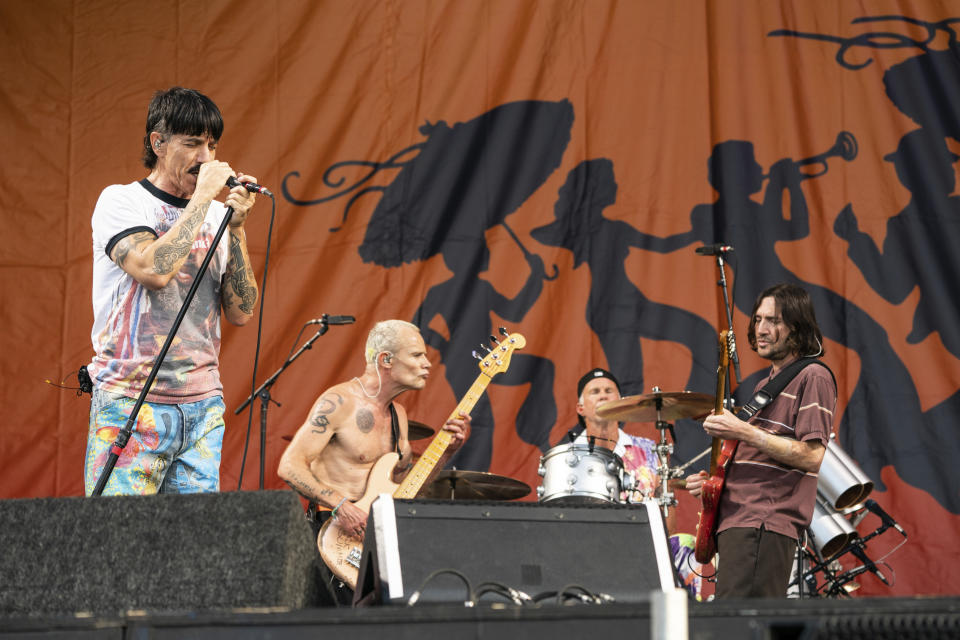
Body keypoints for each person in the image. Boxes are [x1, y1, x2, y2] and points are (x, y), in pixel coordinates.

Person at [84, 87, 260, 496]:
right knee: (120, 545)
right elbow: (153, 269)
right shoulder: (121, 201)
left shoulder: (217, 214)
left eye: (212, 146)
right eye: (193, 143)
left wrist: (236, 228)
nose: (206, 158)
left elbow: (242, 312)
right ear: (158, 143)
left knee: (194, 552)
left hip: (201, 407)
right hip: (130, 400)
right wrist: (202, 198)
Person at [278, 319, 470, 604]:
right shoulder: (339, 401)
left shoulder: (399, 415)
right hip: (332, 535)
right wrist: (341, 505)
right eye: (417, 355)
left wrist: (446, 453)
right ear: (386, 359)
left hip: (375, 539)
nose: (427, 363)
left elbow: (407, 491)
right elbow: (289, 466)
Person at [686, 283, 835, 598]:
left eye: (774, 321)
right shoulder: (768, 385)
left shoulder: (813, 376)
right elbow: (761, 456)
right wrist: (715, 485)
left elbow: (812, 456)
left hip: (764, 521)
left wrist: (742, 430)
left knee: (740, 626)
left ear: (798, 327)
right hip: (742, 522)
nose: (762, 329)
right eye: (758, 320)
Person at [557, 368, 702, 598]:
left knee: (684, 547)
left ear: (621, 403)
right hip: (584, 547)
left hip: (640, 547)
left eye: (609, 391)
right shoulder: (566, 457)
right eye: (595, 392)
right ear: (580, 408)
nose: (603, 396)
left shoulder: (648, 449)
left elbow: (667, 515)